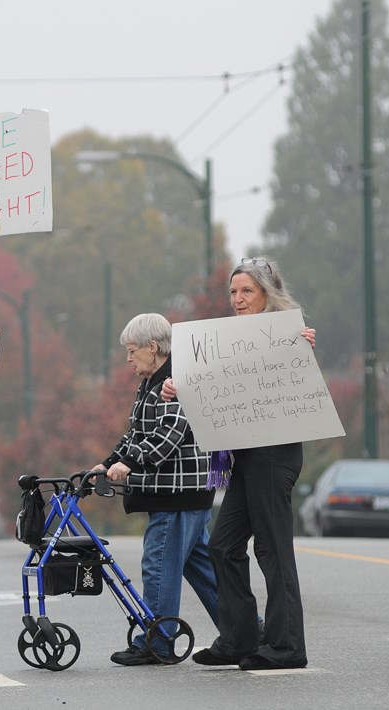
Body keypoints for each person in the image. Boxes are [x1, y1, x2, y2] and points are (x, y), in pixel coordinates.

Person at [164, 256, 314, 671]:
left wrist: (302, 345)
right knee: (223, 545)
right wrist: (176, 386)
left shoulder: (289, 335)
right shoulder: (227, 338)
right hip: (246, 455)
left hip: (275, 454)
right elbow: (206, 386)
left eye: (247, 291)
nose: (238, 299)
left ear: (267, 293)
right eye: (233, 291)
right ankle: (240, 639)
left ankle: (287, 647)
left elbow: (300, 383)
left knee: (272, 549)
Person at [93, 313, 217, 666]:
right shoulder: (151, 382)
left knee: (158, 566)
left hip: (177, 494)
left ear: (152, 347)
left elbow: (169, 435)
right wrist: (109, 461)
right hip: (182, 492)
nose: (129, 359)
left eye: (133, 351)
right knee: (202, 569)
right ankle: (245, 631)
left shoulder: (175, 381)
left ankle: (158, 642)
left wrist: (131, 464)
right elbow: (136, 433)